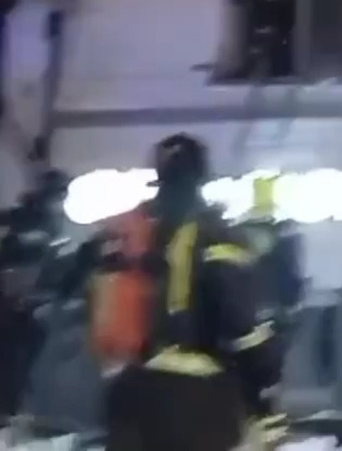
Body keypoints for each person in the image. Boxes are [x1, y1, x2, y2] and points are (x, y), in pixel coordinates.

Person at [83, 133, 285, 451]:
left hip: (130, 390)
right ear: (202, 176)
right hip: (196, 396)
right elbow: (241, 326)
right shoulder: (215, 234)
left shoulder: (130, 233)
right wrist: (264, 394)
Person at [0, 171, 70, 422]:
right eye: (59, 194)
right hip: (11, 299)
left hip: (27, 297)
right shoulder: (25, 216)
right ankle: (9, 406)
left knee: (30, 341)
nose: (61, 200)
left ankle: (14, 404)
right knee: (16, 347)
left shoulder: (52, 220)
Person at [233, 174, 306, 354]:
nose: (256, 237)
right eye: (253, 229)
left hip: (269, 328)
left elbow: (291, 292)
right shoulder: (237, 263)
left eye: (262, 229)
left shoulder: (281, 260)